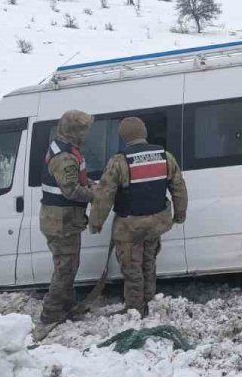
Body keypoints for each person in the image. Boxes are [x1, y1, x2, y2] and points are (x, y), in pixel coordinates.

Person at [89, 116, 188, 316]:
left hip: (130, 226)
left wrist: (96, 222)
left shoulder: (119, 162)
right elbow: (179, 187)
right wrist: (180, 213)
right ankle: (149, 301)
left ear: (123, 137)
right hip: (156, 222)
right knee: (148, 261)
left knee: (132, 267)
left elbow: (104, 195)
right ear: (144, 132)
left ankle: (135, 309)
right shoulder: (164, 156)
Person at [38, 110, 98, 329]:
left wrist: (90, 183)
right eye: (85, 130)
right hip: (61, 221)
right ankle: (50, 314)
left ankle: (66, 306)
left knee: (70, 265)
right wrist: (96, 194)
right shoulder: (65, 157)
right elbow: (71, 190)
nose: (87, 134)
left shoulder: (63, 147)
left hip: (62, 219)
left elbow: (75, 180)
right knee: (65, 268)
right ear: (76, 131)